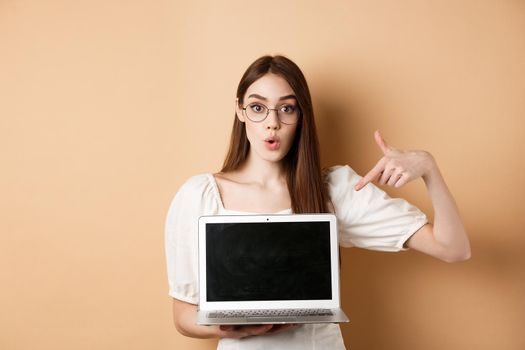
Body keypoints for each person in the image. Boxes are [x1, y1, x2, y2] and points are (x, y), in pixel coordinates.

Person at [164, 55, 471, 349]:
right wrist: (239, 328)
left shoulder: (333, 190)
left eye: (287, 109)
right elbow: (183, 315)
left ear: (301, 116)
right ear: (240, 110)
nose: (272, 123)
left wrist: (429, 168)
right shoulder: (199, 195)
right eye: (258, 108)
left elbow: (453, 248)